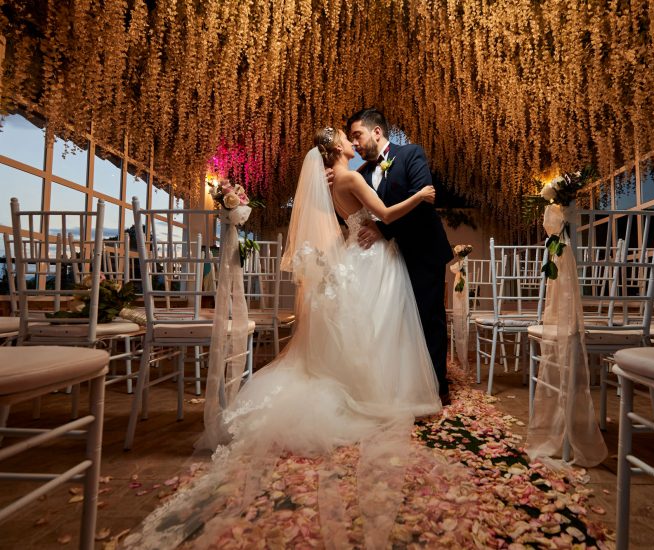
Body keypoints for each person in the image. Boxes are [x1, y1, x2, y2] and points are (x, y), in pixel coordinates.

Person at [123, 129, 441, 549]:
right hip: (374, 255)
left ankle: (370, 383)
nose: (352, 141)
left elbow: (351, 219)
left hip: (356, 252)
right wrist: (420, 196)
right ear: (337, 149)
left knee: (370, 325)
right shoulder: (350, 177)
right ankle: (380, 390)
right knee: (380, 324)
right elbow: (384, 213)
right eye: (346, 138)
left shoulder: (333, 183)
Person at [346, 108, 454, 405]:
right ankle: (406, 383)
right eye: (351, 139)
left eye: (357, 135)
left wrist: (383, 230)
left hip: (422, 250)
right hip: (389, 259)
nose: (354, 143)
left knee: (428, 317)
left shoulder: (410, 154)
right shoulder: (361, 174)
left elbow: (422, 202)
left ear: (376, 131)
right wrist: (332, 176)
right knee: (399, 321)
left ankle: (437, 386)